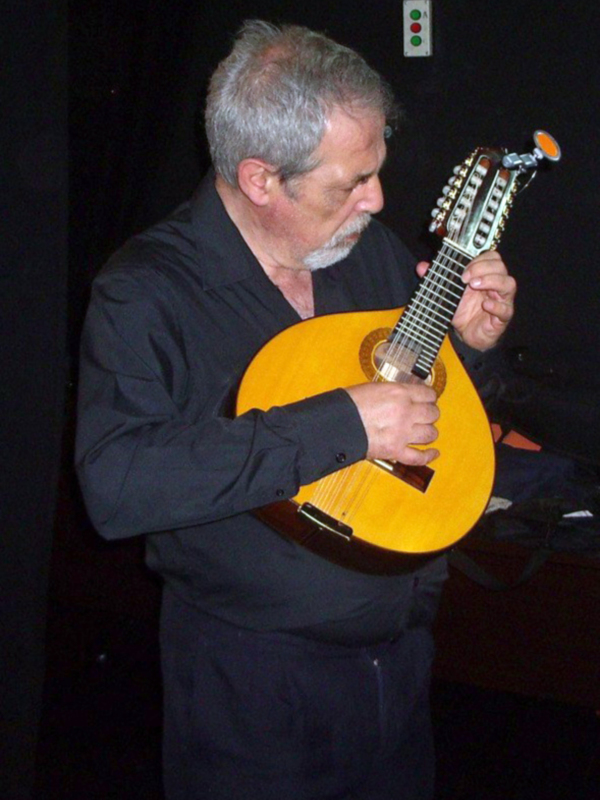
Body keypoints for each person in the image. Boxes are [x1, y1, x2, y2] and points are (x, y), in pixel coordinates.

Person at [76, 20, 516, 800]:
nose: (378, 201)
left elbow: (425, 404)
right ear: (260, 180)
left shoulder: (366, 250)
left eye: (376, 171)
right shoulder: (146, 291)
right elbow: (118, 485)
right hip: (255, 688)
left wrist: (471, 347)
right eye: (352, 182)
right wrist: (343, 423)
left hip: (400, 662)